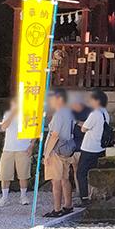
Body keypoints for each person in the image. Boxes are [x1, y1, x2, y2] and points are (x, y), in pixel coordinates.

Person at [42, 89, 76, 217]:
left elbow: (54, 135)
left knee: (55, 181)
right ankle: (68, 205)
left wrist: (47, 153)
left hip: (56, 150)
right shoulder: (69, 113)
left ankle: (57, 209)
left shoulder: (59, 114)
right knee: (65, 179)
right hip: (66, 148)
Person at [0, 98, 33, 207]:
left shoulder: (28, 113)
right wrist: (12, 115)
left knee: (23, 174)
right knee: (4, 174)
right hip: (8, 148)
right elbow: (3, 127)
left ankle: (23, 196)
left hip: (23, 147)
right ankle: (4, 197)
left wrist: (31, 145)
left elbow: (34, 131)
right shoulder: (8, 113)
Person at [77, 88, 110, 202]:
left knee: (81, 173)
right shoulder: (105, 113)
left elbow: (84, 129)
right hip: (101, 147)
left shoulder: (94, 113)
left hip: (89, 148)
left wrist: (77, 123)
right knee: (96, 172)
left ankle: (85, 197)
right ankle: (97, 195)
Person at [68, 91, 91, 205]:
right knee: (77, 170)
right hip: (76, 146)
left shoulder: (87, 113)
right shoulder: (72, 113)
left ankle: (83, 193)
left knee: (80, 171)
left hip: (81, 146)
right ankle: (79, 191)